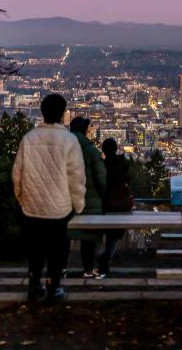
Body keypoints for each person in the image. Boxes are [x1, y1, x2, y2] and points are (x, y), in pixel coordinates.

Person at [12, 94, 86, 303]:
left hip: (32, 206)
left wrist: (22, 199)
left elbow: (17, 174)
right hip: (60, 207)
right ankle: (54, 286)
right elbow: (76, 178)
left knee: (35, 248)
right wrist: (78, 205)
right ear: (62, 114)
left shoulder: (29, 138)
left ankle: (34, 283)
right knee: (57, 248)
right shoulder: (69, 140)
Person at [66, 117, 107, 278]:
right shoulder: (91, 150)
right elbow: (101, 178)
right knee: (88, 238)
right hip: (90, 200)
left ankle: (61, 269)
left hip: (65, 199)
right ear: (85, 131)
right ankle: (88, 270)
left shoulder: (64, 148)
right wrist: (104, 195)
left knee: (64, 236)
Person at [98, 138, 133, 277]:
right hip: (121, 205)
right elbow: (129, 181)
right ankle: (106, 259)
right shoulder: (123, 164)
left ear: (103, 150)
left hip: (104, 205)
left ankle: (102, 259)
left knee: (99, 234)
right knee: (113, 237)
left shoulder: (102, 165)